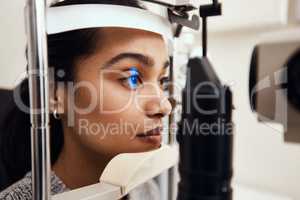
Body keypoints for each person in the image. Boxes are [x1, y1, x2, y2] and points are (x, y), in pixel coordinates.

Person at [0, 0, 173, 199]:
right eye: (132, 79)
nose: (164, 106)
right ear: (54, 94)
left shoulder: (146, 190)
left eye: (163, 80)